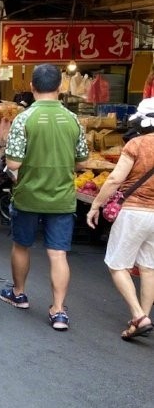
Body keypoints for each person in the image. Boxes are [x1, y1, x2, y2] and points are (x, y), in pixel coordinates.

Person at [0, 63, 89, 330]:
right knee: (58, 254)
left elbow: (13, 164)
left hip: (28, 195)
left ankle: (18, 293)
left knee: (21, 245)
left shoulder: (24, 119)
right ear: (60, 87)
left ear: (32, 87)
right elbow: (83, 162)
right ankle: (59, 310)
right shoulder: (72, 119)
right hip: (62, 196)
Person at [86, 98, 154, 339]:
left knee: (116, 264)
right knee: (149, 268)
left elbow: (115, 179)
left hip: (134, 212)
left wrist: (96, 204)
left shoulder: (136, 144)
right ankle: (142, 319)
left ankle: (139, 316)